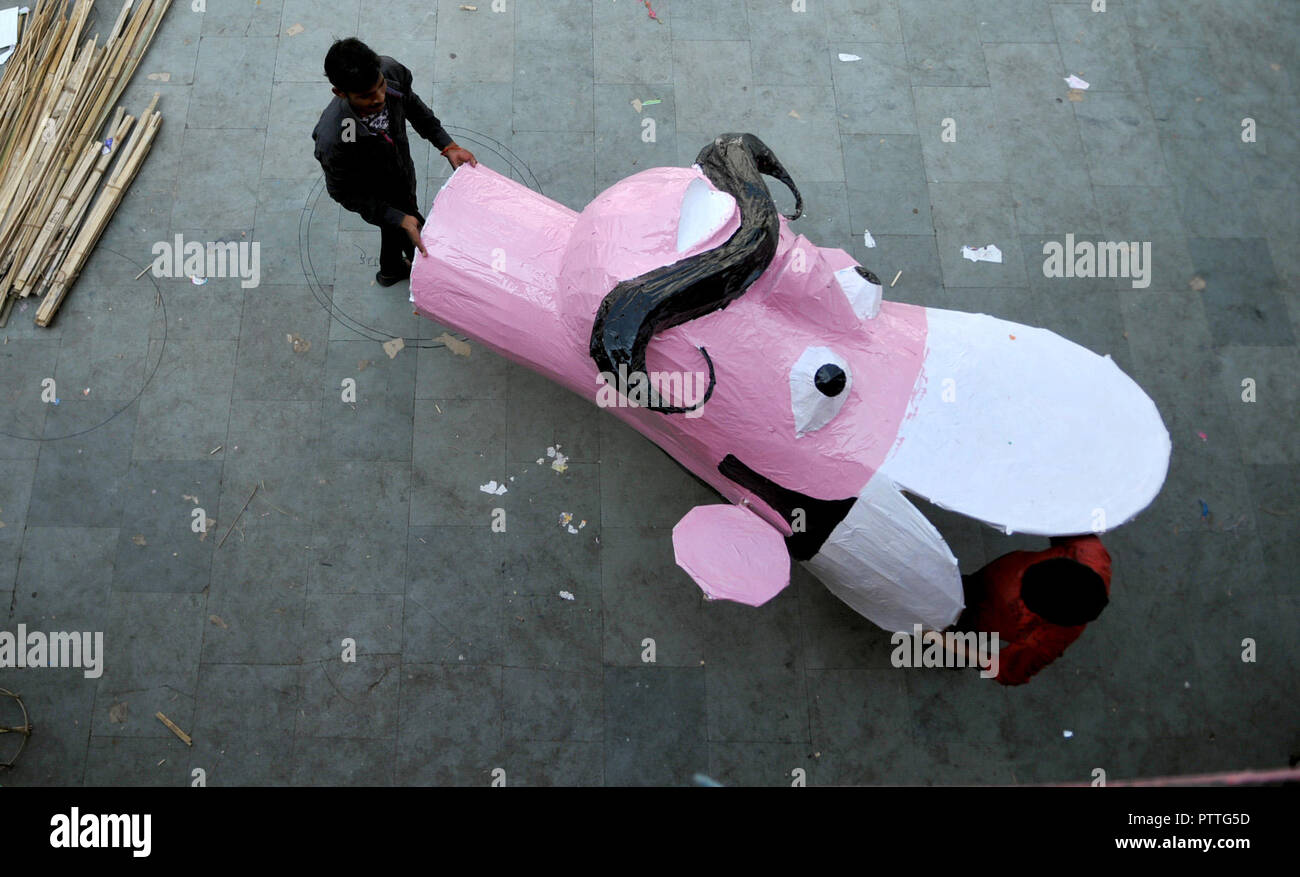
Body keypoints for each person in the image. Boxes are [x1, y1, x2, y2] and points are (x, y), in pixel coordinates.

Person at [312, 38, 477, 287]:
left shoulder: (391, 73)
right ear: (340, 93)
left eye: (380, 86)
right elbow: (342, 192)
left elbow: (414, 108)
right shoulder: (335, 138)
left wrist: (448, 145)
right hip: (377, 194)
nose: (380, 98)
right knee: (414, 232)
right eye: (367, 96)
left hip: (401, 175)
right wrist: (395, 216)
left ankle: (390, 271)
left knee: (397, 229)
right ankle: (423, 275)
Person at [953, 535, 1112, 685]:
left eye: (1024, 595)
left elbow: (1006, 670)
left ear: (1046, 617)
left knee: (946, 656)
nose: (1020, 573)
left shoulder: (1044, 643)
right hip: (979, 582)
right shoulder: (1087, 548)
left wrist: (942, 641)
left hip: (979, 625)